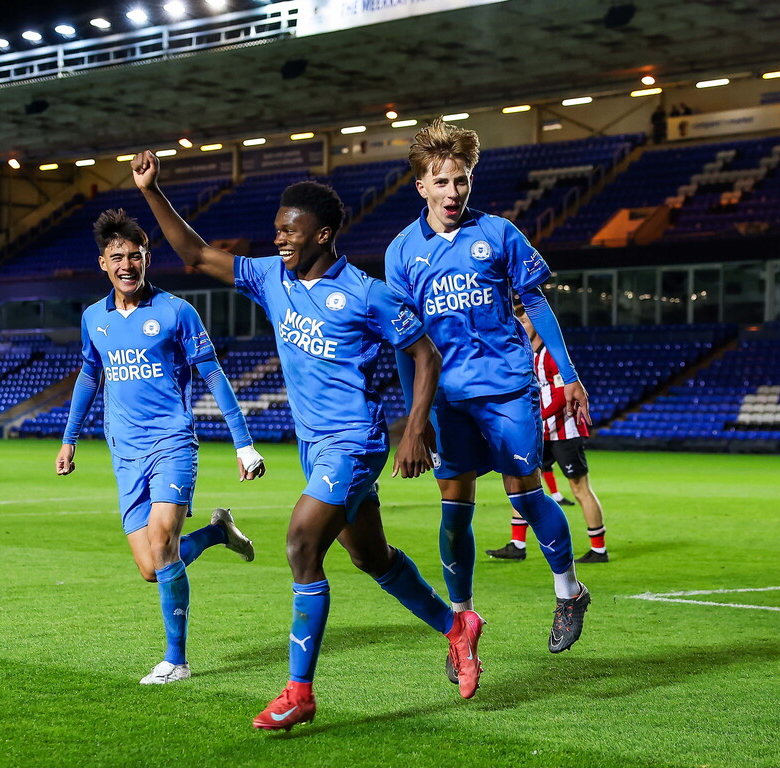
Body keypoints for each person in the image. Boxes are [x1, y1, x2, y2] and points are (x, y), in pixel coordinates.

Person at [132, 150, 481, 730]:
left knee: (300, 542)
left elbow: (426, 354)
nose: (279, 241)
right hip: (315, 448)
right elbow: (194, 254)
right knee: (372, 557)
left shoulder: (368, 295)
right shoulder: (271, 278)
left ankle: (299, 691)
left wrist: (416, 429)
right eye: (275, 231)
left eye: (289, 231)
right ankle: (457, 627)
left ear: (322, 233)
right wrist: (152, 191)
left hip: (355, 443)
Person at [384, 117, 593, 680]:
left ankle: (569, 591)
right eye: (443, 182)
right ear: (421, 186)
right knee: (454, 510)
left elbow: (539, 305)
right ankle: (460, 626)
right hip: (448, 403)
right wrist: (415, 420)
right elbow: (407, 345)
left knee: (525, 495)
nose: (454, 192)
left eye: (462, 180)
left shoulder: (498, 233)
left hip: (506, 389)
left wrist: (569, 375)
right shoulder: (401, 253)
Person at [55, 208, 266, 686]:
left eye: (135, 255)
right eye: (117, 258)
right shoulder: (94, 318)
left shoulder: (176, 311)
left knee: (164, 544)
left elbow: (213, 374)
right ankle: (216, 533)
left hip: (172, 443)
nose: (127, 265)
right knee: (151, 568)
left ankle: (176, 660)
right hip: (123, 452)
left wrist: (243, 443)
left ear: (148, 258)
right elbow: (90, 376)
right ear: (102, 264)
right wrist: (69, 439)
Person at [487, 301, 608, 563]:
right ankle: (517, 545)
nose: (520, 324)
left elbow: (561, 395)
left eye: (525, 319)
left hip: (565, 431)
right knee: (521, 484)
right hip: (540, 432)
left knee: (579, 488)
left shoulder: (552, 355)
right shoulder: (523, 354)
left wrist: (534, 417)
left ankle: (599, 549)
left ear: (538, 324)